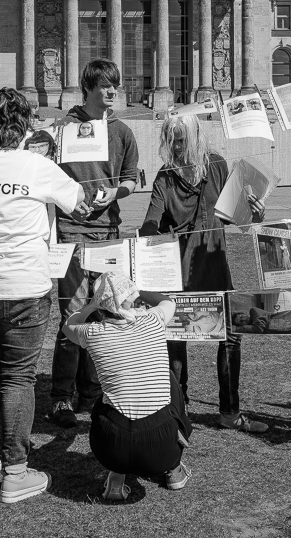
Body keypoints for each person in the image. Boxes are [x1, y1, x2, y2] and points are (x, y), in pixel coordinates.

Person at [0, 88, 87, 503]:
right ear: (25, 125)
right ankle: (15, 471)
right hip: (22, 284)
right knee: (17, 377)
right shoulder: (36, 164)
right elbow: (78, 199)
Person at [140, 114, 269, 433]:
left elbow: (238, 219)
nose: (177, 144)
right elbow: (150, 220)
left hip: (214, 266)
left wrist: (255, 212)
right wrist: (146, 236)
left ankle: (229, 412)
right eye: (172, 138)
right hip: (177, 273)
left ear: (196, 135)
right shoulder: (165, 177)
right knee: (174, 341)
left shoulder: (217, 164)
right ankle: (177, 411)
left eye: (182, 137)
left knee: (231, 336)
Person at [49, 59, 139, 429]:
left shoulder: (123, 132)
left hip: (108, 234)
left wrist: (115, 192)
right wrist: (70, 198)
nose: (112, 91)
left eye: (115, 85)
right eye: (104, 85)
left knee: (103, 313)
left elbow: (132, 180)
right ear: (88, 88)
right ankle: (59, 398)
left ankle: (90, 393)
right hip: (71, 231)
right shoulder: (64, 127)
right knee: (72, 318)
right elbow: (49, 176)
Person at [63, 273, 192, 501]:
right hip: (160, 450)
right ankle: (173, 469)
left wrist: (92, 304)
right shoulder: (153, 321)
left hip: (112, 449)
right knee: (171, 381)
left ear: (101, 304)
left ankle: (116, 475)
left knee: (108, 398)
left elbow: (68, 325)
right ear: (131, 297)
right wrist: (137, 290)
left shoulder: (92, 333)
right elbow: (168, 302)